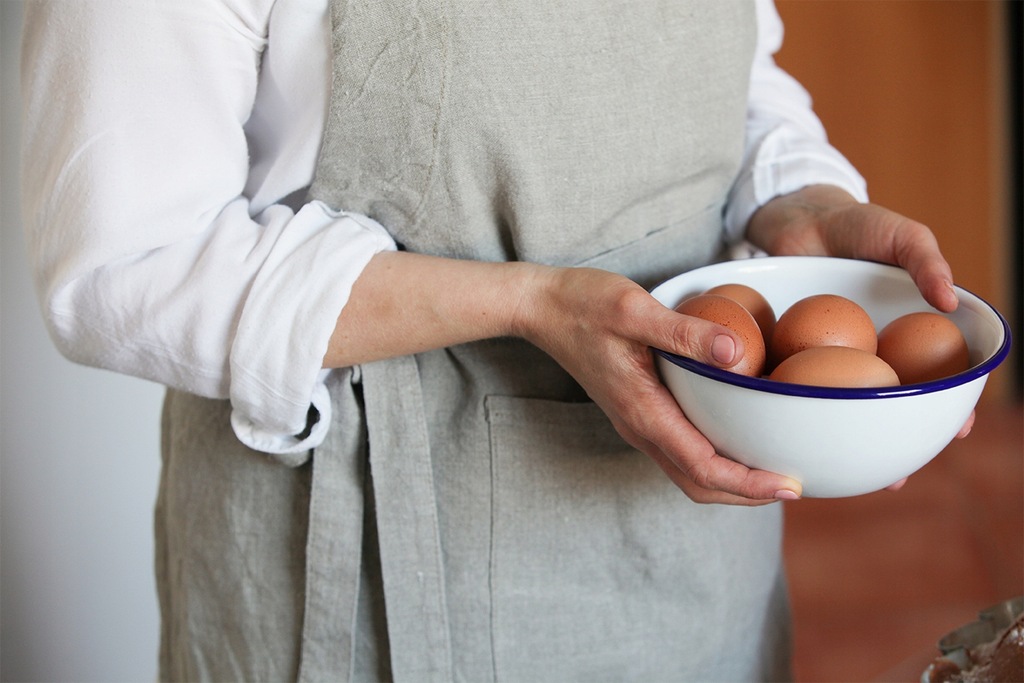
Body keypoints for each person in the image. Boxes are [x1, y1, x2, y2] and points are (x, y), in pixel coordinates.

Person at [20, 0, 969, 680]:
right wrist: (533, 303)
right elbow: (124, 264)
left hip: (690, 552)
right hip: (375, 570)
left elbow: (736, 65)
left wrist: (799, 195)